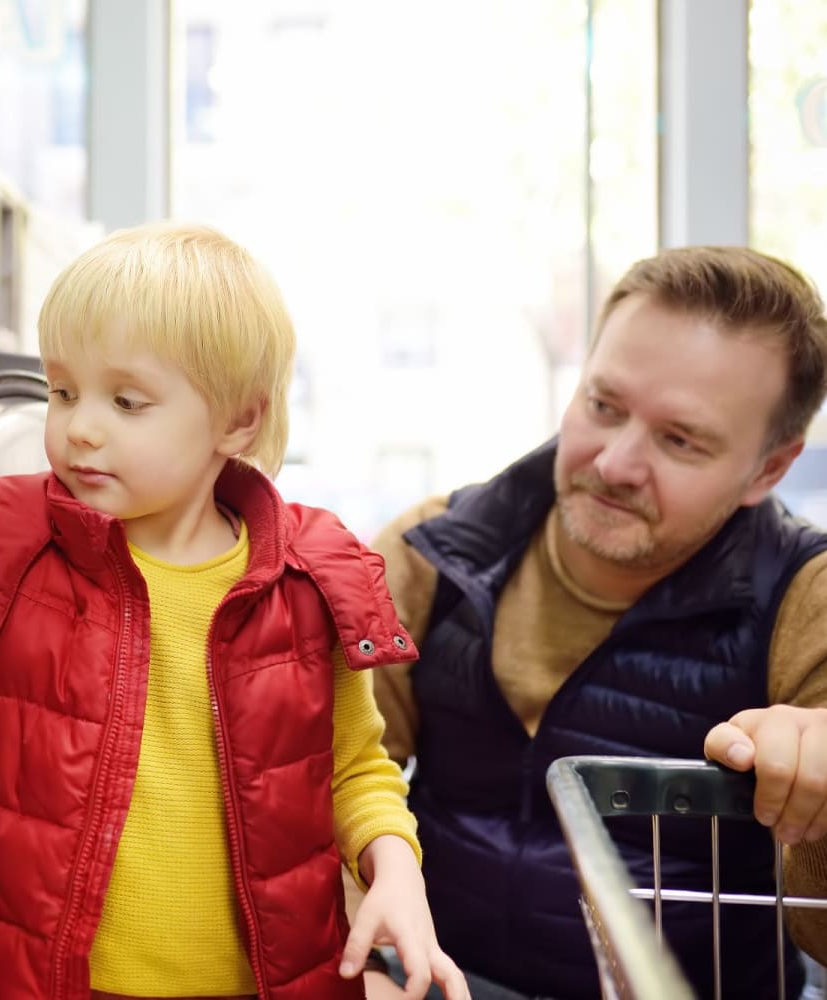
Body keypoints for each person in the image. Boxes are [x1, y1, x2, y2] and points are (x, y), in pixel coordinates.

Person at [0, 223, 470, 1000]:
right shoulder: (2, 547)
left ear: (237, 422)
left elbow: (353, 769)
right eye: (61, 390)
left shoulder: (307, 585)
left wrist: (395, 869)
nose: (79, 424)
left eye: (126, 400)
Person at [351, 246, 827, 1000]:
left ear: (768, 469)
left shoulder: (809, 598)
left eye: (680, 440)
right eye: (603, 406)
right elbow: (310, 791)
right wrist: (360, 972)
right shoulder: (431, 551)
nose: (614, 463)